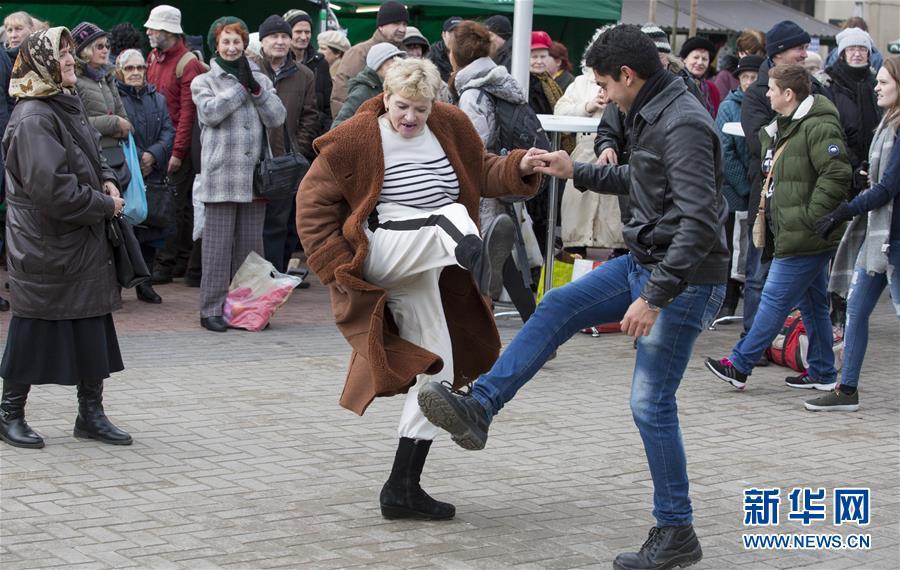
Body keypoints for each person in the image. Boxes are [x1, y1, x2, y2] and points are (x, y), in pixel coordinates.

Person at [418, 25, 728, 570]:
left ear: (627, 76)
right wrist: (576, 169)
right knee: (558, 305)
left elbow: (701, 222)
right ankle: (480, 408)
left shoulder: (682, 122)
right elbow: (645, 177)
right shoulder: (653, 106)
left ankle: (677, 530)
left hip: (684, 279)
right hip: (646, 262)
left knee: (650, 404)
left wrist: (653, 297)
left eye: (606, 84)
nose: (603, 95)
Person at [296, 57, 542, 521]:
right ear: (385, 97)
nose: (411, 117)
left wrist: (519, 165)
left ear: (435, 105)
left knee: (441, 375)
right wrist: (332, 267)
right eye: (402, 106)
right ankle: (479, 258)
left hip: (429, 262)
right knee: (450, 216)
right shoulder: (356, 138)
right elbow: (311, 204)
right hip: (385, 250)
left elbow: (481, 169)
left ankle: (402, 487)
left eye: (421, 110)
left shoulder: (449, 124)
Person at [0, 27, 132, 449]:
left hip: (76, 241)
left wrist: (108, 181)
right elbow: (53, 191)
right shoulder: (35, 116)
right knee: (33, 328)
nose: (70, 59)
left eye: (69, 52)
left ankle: (90, 415)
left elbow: (93, 156)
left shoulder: (64, 103)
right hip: (47, 244)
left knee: (92, 323)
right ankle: (8, 414)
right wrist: (105, 205)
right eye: (61, 55)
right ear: (41, 64)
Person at [706, 64, 851, 391]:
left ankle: (740, 365)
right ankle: (823, 372)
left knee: (773, 300)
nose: (766, 94)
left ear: (789, 94)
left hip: (806, 233)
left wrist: (812, 216)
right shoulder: (789, 124)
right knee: (813, 305)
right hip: (798, 230)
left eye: (771, 89)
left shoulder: (818, 126)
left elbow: (837, 173)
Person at [811, 55, 900, 411]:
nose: (876, 87)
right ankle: (846, 389)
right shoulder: (888, 125)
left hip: (894, 237)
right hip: (879, 237)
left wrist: (844, 211)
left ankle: (846, 389)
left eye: (884, 82)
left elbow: (889, 187)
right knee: (856, 310)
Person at [191, 17, 286, 333]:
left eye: (236, 42)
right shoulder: (204, 80)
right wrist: (240, 87)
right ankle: (211, 310)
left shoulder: (259, 77)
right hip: (220, 177)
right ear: (215, 46)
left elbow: (276, 117)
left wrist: (256, 88)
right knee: (217, 249)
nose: (232, 48)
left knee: (250, 251)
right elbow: (210, 113)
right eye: (225, 42)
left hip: (254, 179)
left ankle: (248, 310)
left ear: (245, 45)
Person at [740, 20, 833, 343]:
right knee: (757, 274)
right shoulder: (758, 93)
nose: (805, 54)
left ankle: (795, 345)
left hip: (806, 202)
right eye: (799, 48)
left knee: (812, 287)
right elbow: (757, 141)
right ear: (779, 53)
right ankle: (754, 338)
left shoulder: (817, 89)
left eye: (806, 48)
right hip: (767, 198)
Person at [450, 20, 541, 320]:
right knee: (501, 257)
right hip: (506, 172)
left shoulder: (471, 92)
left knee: (488, 255)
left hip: (484, 181)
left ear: (455, 55)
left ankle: (483, 327)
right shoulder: (501, 81)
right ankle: (535, 326)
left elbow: (474, 143)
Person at [145, 5, 207, 288]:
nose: (148, 32)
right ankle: (176, 259)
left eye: (153, 28)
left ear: (167, 32)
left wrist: (179, 153)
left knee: (173, 207)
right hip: (159, 145)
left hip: (175, 149)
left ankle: (167, 263)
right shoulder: (153, 58)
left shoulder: (187, 63)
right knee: (173, 206)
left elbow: (187, 114)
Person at [251, 15, 319, 273]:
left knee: (279, 224)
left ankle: (274, 277)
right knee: (251, 223)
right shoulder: (250, 69)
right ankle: (250, 279)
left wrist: (296, 150)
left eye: (284, 37)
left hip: (284, 162)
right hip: (252, 159)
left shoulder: (304, 75)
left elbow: (311, 115)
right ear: (263, 40)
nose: (280, 42)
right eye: (274, 37)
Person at [555, 29, 625, 259]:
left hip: (615, 159)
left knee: (613, 227)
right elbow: (560, 114)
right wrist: (587, 106)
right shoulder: (580, 82)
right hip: (583, 156)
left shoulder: (626, 80)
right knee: (578, 227)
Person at [116, 49, 176, 304]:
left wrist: (153, 155)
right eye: (130, 68)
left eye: (140, 68)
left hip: (153, 173)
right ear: (120, 70)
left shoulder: (158, 99)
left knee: (152, 232)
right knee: (121, 232)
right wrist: (139, 158)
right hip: (126, 175)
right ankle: (116, 286)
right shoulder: (116, 97)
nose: (136, 73)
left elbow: (168, 131)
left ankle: (145, 284)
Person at [714, 54, 764, 319]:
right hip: (734, 193)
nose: (748, 82)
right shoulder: (729, 106)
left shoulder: (766, 105)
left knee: (751, 248)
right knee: (732, 246)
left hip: (759, 191)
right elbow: (724, 151)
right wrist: (745, 187)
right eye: (744, 77)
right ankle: (727, 300)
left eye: (754, 77)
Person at [71, 22, 132, 191]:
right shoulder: (74, 81)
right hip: (89, 158)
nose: (105, 50)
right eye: (99, 46)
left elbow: (125, 121)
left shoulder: (107, 77)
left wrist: (121, 126)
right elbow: (75, 123)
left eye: (107, 45)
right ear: (85, 50)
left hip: (115, 156)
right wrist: (113, 123)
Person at [825, 27, 881, 197]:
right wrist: (855, 166)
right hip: (841, 170)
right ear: (842, 54)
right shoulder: (829, 84)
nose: (857, 53)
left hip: (874, 167)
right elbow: (832, 132)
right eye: (851, 49)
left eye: (862, 49)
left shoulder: (877, 83)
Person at [330, 1, 408, 116]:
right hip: (362, 125)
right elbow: (340, 97)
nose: (402, 29)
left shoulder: (406, 56)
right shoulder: (359, 53)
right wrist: (346, 129)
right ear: (381, 26)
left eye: (405, 24)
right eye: (396, 23)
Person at [332, 43, 406, 128]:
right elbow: (338, 126)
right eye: (392, 59)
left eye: (399, 58)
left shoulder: (394, 87)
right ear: (378, 64)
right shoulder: (363, 91)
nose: (398, 63)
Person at [283, 9, 332, 134]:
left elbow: (327, 106)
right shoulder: (280, 62)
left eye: (307, 32)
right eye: (298, 32)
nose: (304, 37)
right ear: (288, 33)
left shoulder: (320, 63)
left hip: (314, 135)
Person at [713, 29, 765, 100]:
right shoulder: (725, 76)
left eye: (757, 56)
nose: (752, 60)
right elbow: (720, 105)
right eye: (748, 55)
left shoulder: (767, 75)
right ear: (740, 52)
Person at [679, 36, 721, 117]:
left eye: (704, 59)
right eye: (696, 57)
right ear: (684, 59)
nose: (700, 62)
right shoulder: (677, 84)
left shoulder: (712, 89)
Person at [427, 16, 461, 82]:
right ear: (443, 35)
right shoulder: (433, 54)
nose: (455, 35)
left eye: (459, 31)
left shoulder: (472, 54)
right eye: (451, 31)